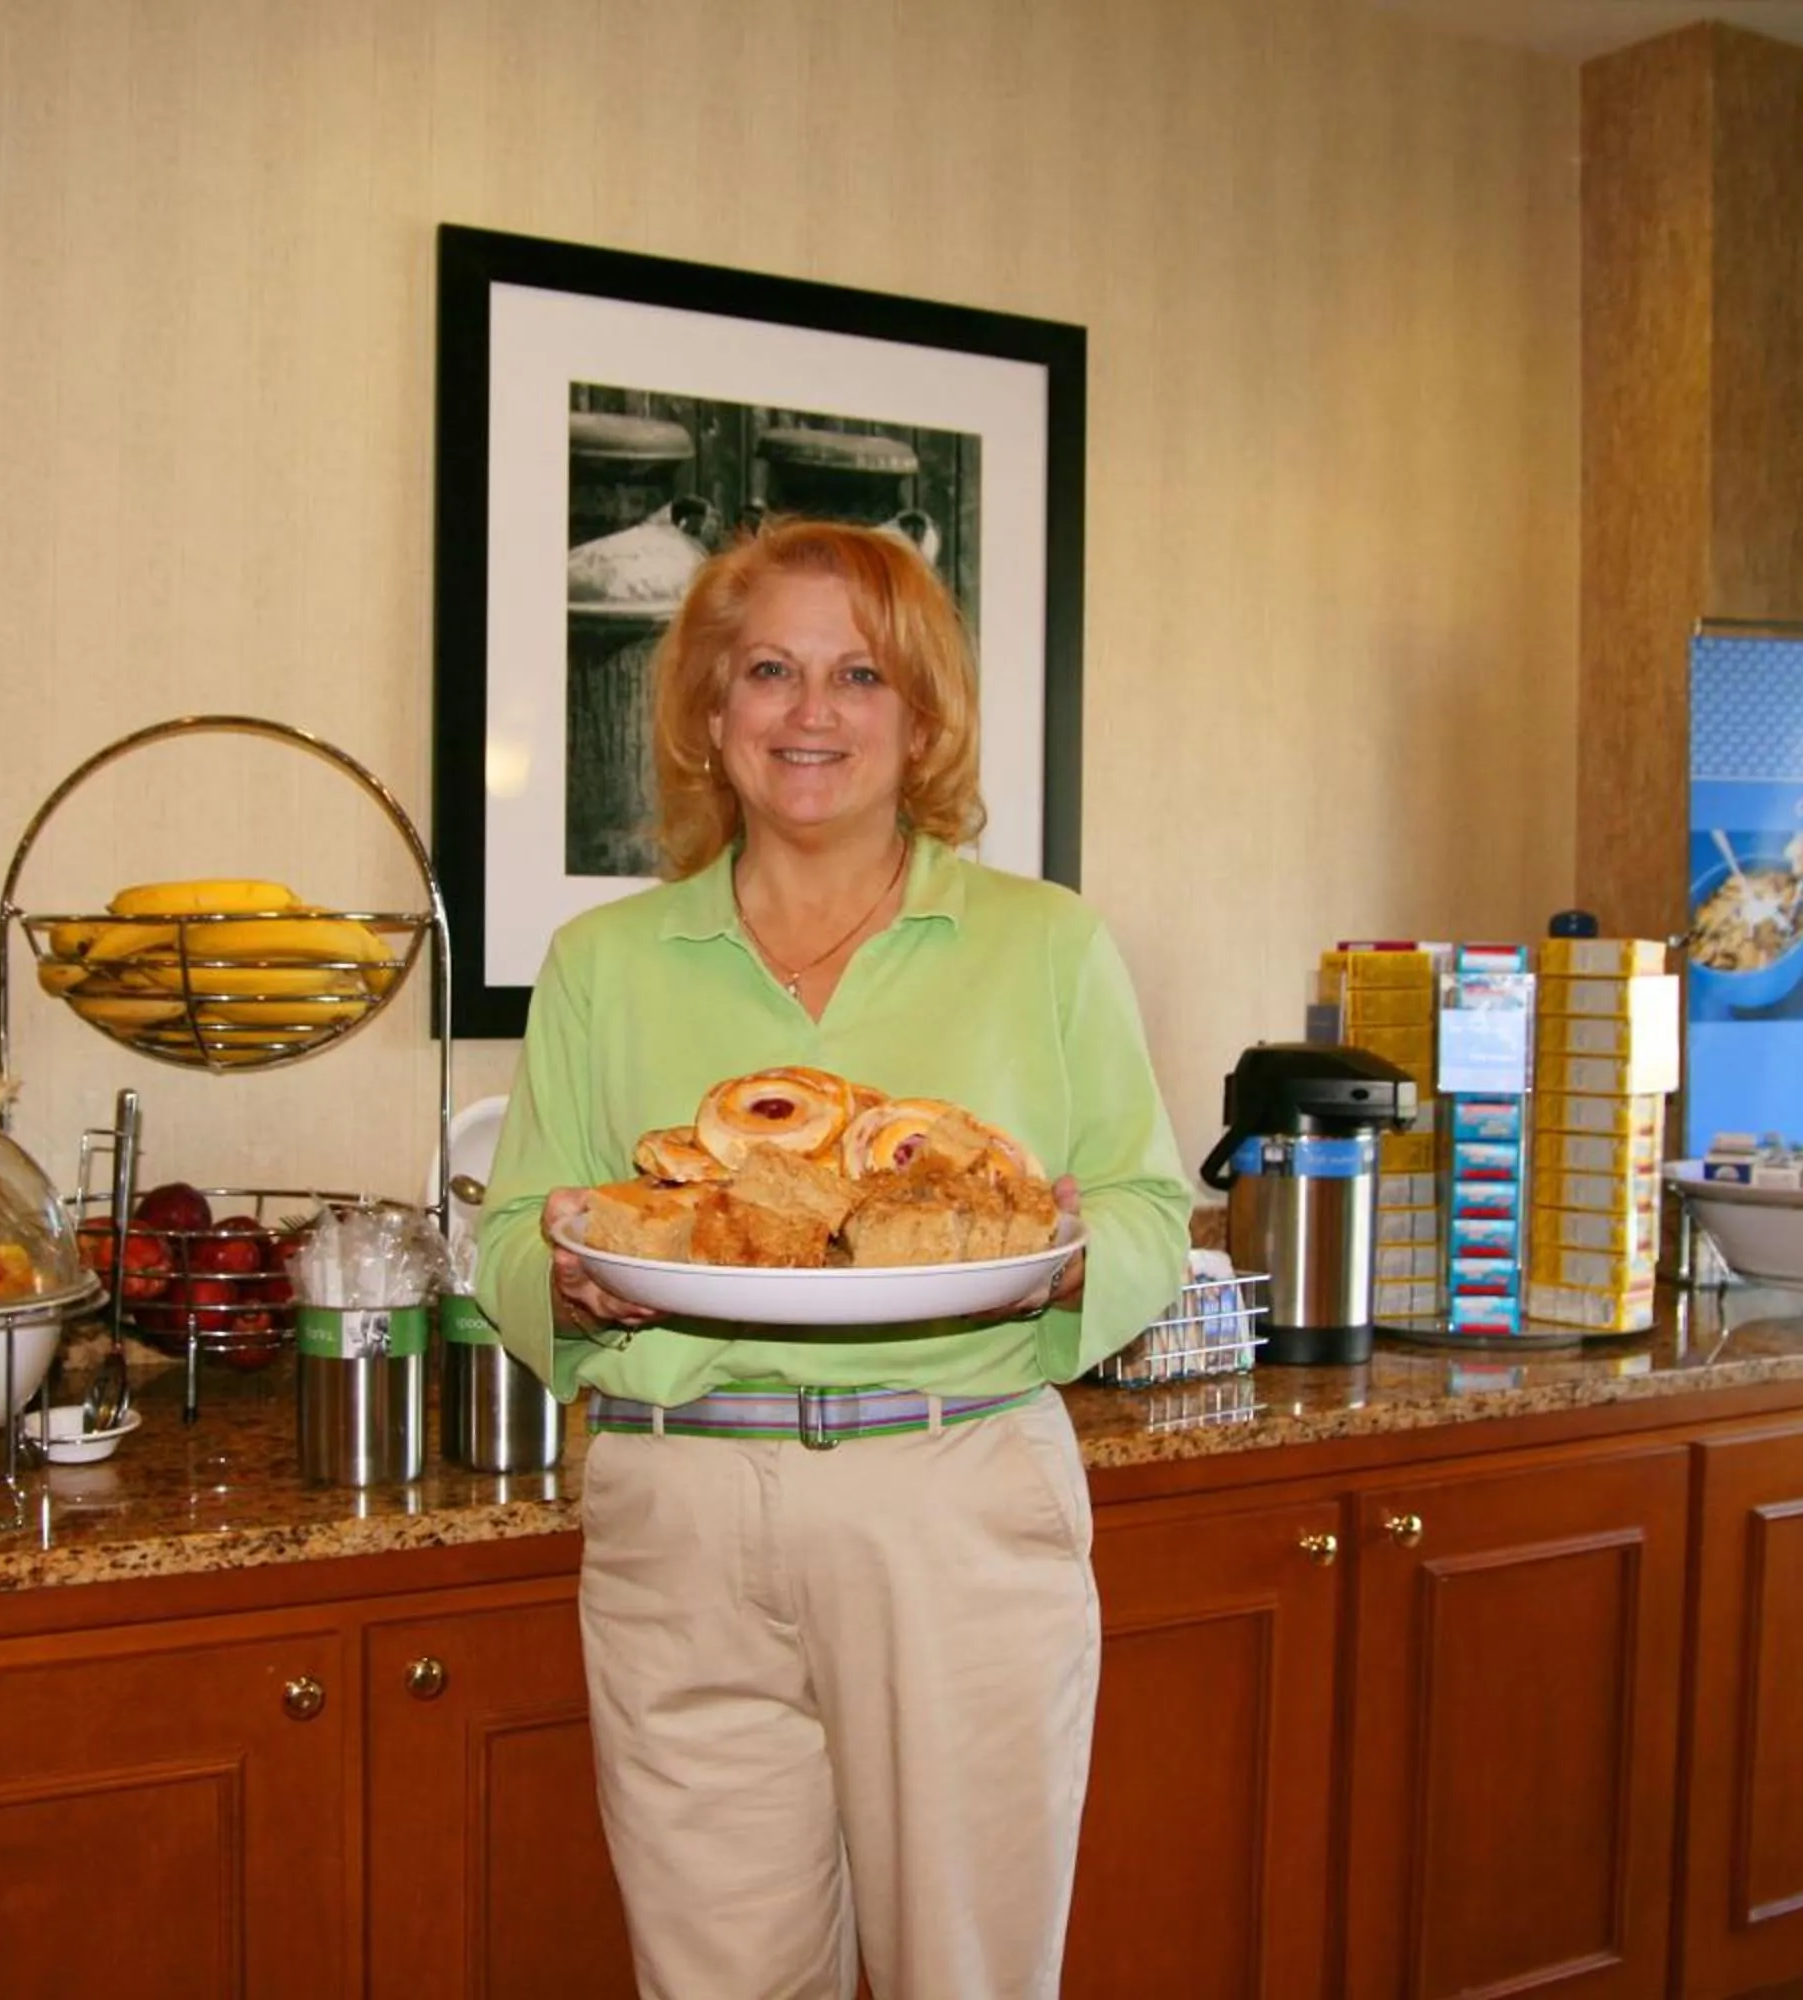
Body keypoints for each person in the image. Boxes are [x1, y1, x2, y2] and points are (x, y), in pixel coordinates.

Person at [474, 518, 1189, 1999]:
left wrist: (1053, 1256)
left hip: (953, 1495)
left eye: (860, 674)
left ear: (921, 717)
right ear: (709, 712)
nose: (811, 713)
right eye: (769, 672)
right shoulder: (604, 964)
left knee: (965, 1978)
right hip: (677, 1507)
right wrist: (569, 1272)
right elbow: (512, 1229)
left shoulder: (1045, 946)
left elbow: (1146, 1211)